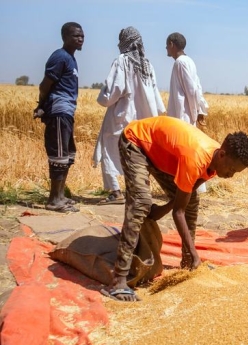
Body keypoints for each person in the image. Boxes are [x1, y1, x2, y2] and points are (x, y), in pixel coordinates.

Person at [101, 116, 248, 301]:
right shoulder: (197, 157)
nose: (230, 175)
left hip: (160, 152)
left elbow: (185, 198)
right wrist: (194, 250)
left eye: (235, 173)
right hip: (137, 142)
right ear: (222, 155)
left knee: (191, 202)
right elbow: (178, 212)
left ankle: (187, 264)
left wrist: (162, 209)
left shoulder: (216, 161)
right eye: (231, 169)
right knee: (141, 203)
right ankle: (119, 279)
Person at [94, 26, 165, 204]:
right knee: (138, 155)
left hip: (121, 116)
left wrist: (102, 97)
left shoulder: (122, 61)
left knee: (110, 149)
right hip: (143, 121)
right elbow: (155, 96)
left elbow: (112, 92)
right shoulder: (148, 65)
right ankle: (136, 191)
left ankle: (116, 191)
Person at [33, 22, 84, 213]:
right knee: (59, 156)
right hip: (59, 112)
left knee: (68, 155)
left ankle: (61, 196)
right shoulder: (60, 56)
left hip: (67, 112)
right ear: (65, 37)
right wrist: (41, 105)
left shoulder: (71, 58)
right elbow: (45, 84)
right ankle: (54, 200)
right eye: (76, 36)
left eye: (82, 36)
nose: (80, 39)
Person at [166, 31, 210, 192]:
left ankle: (188, 188)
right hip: (185, 114)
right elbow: (196, 87)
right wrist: (199, 109)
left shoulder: (181, 63)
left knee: (184, 152)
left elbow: (191, 90)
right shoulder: (188, 61)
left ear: (172, 44)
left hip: (183, 115)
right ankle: (192, 188)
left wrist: (194, 112)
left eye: (167, 45)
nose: (165, 49)